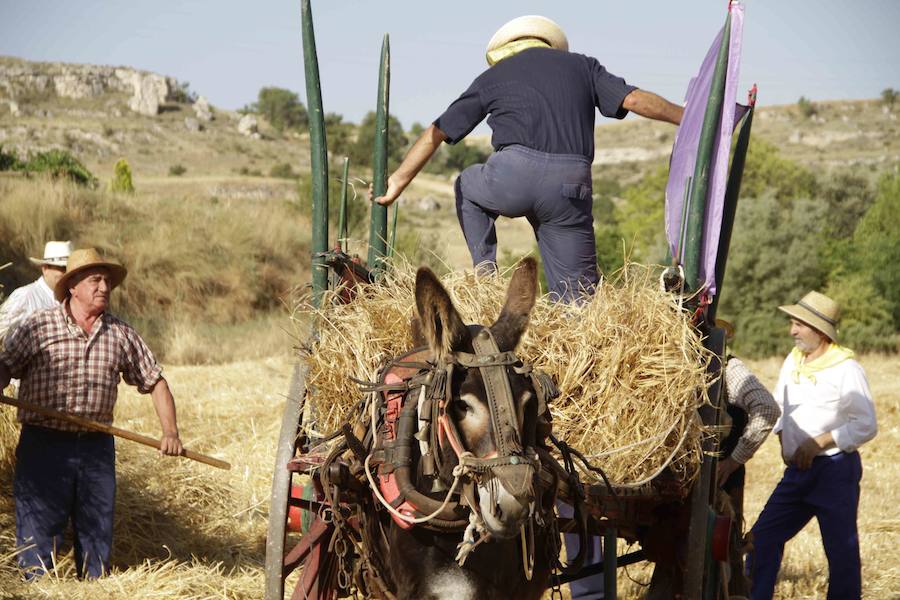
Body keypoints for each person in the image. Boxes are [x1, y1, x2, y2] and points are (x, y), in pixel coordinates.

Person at [374, 15, 683, 302]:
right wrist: (688, 116)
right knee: (580, 299)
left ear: (504, 51)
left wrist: (398, 181)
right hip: (570, 186)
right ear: (549, 44)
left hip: (513, 176)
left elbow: (438, 131)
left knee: (467, 185)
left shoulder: (494, 76)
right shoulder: (583, 66)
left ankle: (485, 278)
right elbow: (633, 99)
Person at [0, 247, 184, 580]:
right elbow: (5, 365)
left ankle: (94, 587)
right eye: (95, 280)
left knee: (96, 531)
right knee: (38, 531)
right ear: (73, 286)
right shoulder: (38, 327)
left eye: (108, 281)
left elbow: (156, 382)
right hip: (43, 443)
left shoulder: (120, 334)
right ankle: (38, 587)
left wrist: (170, 432)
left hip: (95, 448)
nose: (104, 287)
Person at [749, 291, 877, 600]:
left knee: (841, 552)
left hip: (834, 471)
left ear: (819, 330)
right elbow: (780, 405)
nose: (792, 331)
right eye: (792, 323)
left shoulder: (846, 370)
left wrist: (818, 442)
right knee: (762, 537)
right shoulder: (793, 361)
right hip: (797, 472)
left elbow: (867, 424)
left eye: (798, 324)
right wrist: (783, 440)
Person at [715, 320, 780, 597]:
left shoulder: (729, 368)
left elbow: (767, 408)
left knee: (724, 561)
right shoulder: (663, 364)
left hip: (720, 484)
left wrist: (733, 460)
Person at [0, 240, 73, 337]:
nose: (67, 274)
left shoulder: (73, 299)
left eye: (70, 269)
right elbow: (2, 331)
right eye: (62, 268)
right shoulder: (25, 296)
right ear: (45, 269)